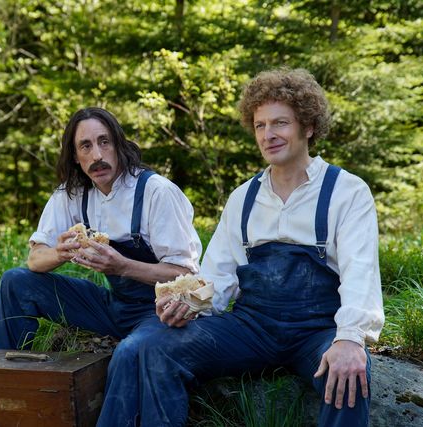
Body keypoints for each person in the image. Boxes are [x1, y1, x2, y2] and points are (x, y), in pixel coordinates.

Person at [103, 68, 385, 426]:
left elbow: (361, 273)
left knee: (349, 374)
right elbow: (217, 278)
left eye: (280, 123)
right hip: (253, 329)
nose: (268, 135)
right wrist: (187, 303)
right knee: (147, 344)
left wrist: (351, 339)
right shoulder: (243, 198)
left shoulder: (347, 191)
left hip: (318, 331)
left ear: (309, 126)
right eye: (260, 125)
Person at [0, 107, 202, 424]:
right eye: (86, 146)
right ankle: (1, 392)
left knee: (129, 352)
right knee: (16, 282)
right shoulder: (73, 193)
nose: (97, 155)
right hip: (115, 306)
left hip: (161, 310)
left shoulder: (156, 192)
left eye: (104, 142)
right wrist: (60, 252)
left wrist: (123, 266)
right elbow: (35, 258)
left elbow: (186, 275)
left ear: (119, 145)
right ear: (75, 156)